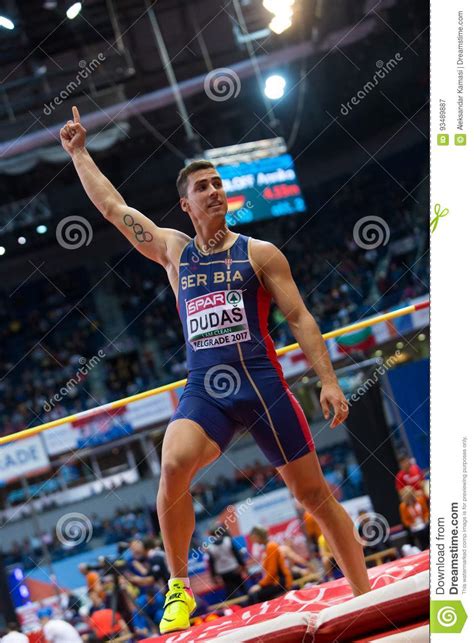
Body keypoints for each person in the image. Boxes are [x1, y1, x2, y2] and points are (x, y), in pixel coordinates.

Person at [61, 106, 371, 634]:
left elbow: (299, 317)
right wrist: (79, 153)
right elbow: (114, 208)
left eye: (218, 184)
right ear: (186, 205)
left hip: (263, 385)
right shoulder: (175, 253)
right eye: (203, 187)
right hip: (207, 391)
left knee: (312, 495)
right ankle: (178, 589)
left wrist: (329, 379)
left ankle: (366, 597)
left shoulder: (260, 254)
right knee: (173, 462)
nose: (214, 192)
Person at [247, 526, 293, 603]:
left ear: (257, 536)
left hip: (282, 582)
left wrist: (260, 585)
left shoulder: (271, 546)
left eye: (253, 538)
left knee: (254, 595)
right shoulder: (268, 547)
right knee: (253, 594)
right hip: (276, 581)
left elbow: (272, 571)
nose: (253, 541)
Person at [206, 524, 247, 599]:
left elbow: (211, 563)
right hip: (234, 568)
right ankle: (250, 603)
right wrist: (243, 565)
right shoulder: (228, 540)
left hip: (223, 573)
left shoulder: (210, 547)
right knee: (243, 588)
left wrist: (214, 576)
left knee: (231, 592)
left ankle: (238, 607)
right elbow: (236, 554)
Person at [399, 486, 430, 551]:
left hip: (424, 522)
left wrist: (426, 519)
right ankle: (424, 549)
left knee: (426, 529)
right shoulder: (402, 506)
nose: (409, 498)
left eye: (410, 496)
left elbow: (426, 512)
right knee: (419, 534)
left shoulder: (420, 500)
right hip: (414, 526)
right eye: (407, 497)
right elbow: (405, 520)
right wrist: (412, 525)